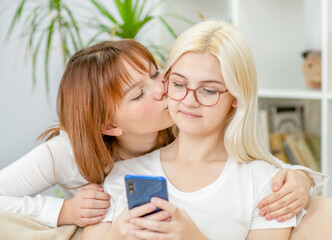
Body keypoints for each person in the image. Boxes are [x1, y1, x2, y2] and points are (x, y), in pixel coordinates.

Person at [0, 39, 326, 229]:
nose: (163, 89)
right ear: (109, 126)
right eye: (138, 94)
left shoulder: (180, 120)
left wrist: (300, 177)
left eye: (156, 74)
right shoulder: (67, 152)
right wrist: (64, 212)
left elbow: (252, 160)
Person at [82, 21, 328, 240]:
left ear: (236, 97)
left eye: (208, 90)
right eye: (178, 84)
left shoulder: (266, 186)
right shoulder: (121, 176)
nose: (189, 101)